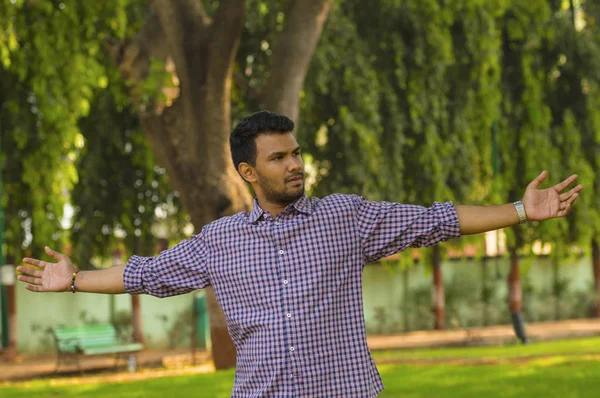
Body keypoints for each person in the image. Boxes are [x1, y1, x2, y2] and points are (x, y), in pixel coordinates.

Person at [18, 111, 582, 397]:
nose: (295, 165)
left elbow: (437, 220)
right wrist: (73, 280)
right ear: (247, 172)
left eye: (296, 152)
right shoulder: (220, 241)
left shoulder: (345, 217)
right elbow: (147, 274)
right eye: (278, 158)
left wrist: (520, 211)